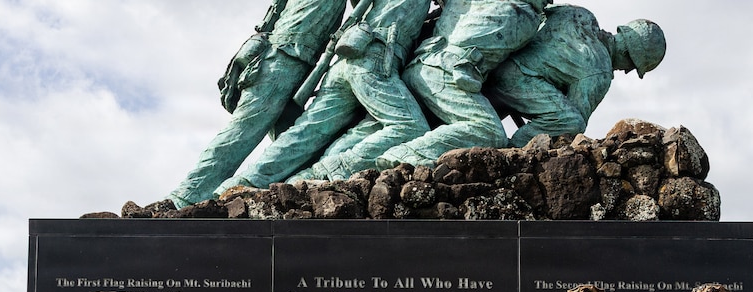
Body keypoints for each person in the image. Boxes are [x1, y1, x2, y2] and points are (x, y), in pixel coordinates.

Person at [214, 0, 431, 192]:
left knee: (305, 133)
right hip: (374, 64)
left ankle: (242, 184)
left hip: (344, 62)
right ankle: (319, 172)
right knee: (411, 127)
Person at [167, 0, 348, 207]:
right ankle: (186, 195)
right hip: (281, 59)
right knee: (241, 131)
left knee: (294, 143)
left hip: (296, 63)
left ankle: (291, 193)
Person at [376, 0, 548, 169]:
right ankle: (403, 155)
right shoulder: (525, 13)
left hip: (423, 67)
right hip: (445, 72)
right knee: (488, 131)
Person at [486, 6, 665, 147]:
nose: (626, 71)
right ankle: (512, 150)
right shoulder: (599, 69)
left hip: (495, 63)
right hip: (515, 82)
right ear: (628, 52)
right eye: (632, 66)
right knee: (572, 121)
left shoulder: (580, 15)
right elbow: (572, 128)